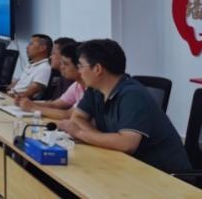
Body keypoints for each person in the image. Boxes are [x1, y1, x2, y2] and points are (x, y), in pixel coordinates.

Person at [58, 39, 191, 174]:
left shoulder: (132, 95)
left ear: (97, 69)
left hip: (164, 175)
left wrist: (80, 133)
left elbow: (127, 144)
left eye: (81, 66)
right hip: (128, 165)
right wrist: (99, 138)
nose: (79, 71)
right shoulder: (95, 90)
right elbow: (77, 118)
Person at [17, 40, 84, 120]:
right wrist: (26, 103)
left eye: (65, 64)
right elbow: (55, 104)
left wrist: (32, 107)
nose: (62, 67)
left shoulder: (90, 89)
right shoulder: (77, 85)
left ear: (79, 66)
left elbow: (68, 115)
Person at [9, 34, 53, 99]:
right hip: (11, 95)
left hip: (18, 99)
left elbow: (30, 92)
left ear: (42, 48)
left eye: (31, 44)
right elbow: (17, 83)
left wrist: (10, 95)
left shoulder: (44, 68)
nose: (27, 47)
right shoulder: (31, 64)